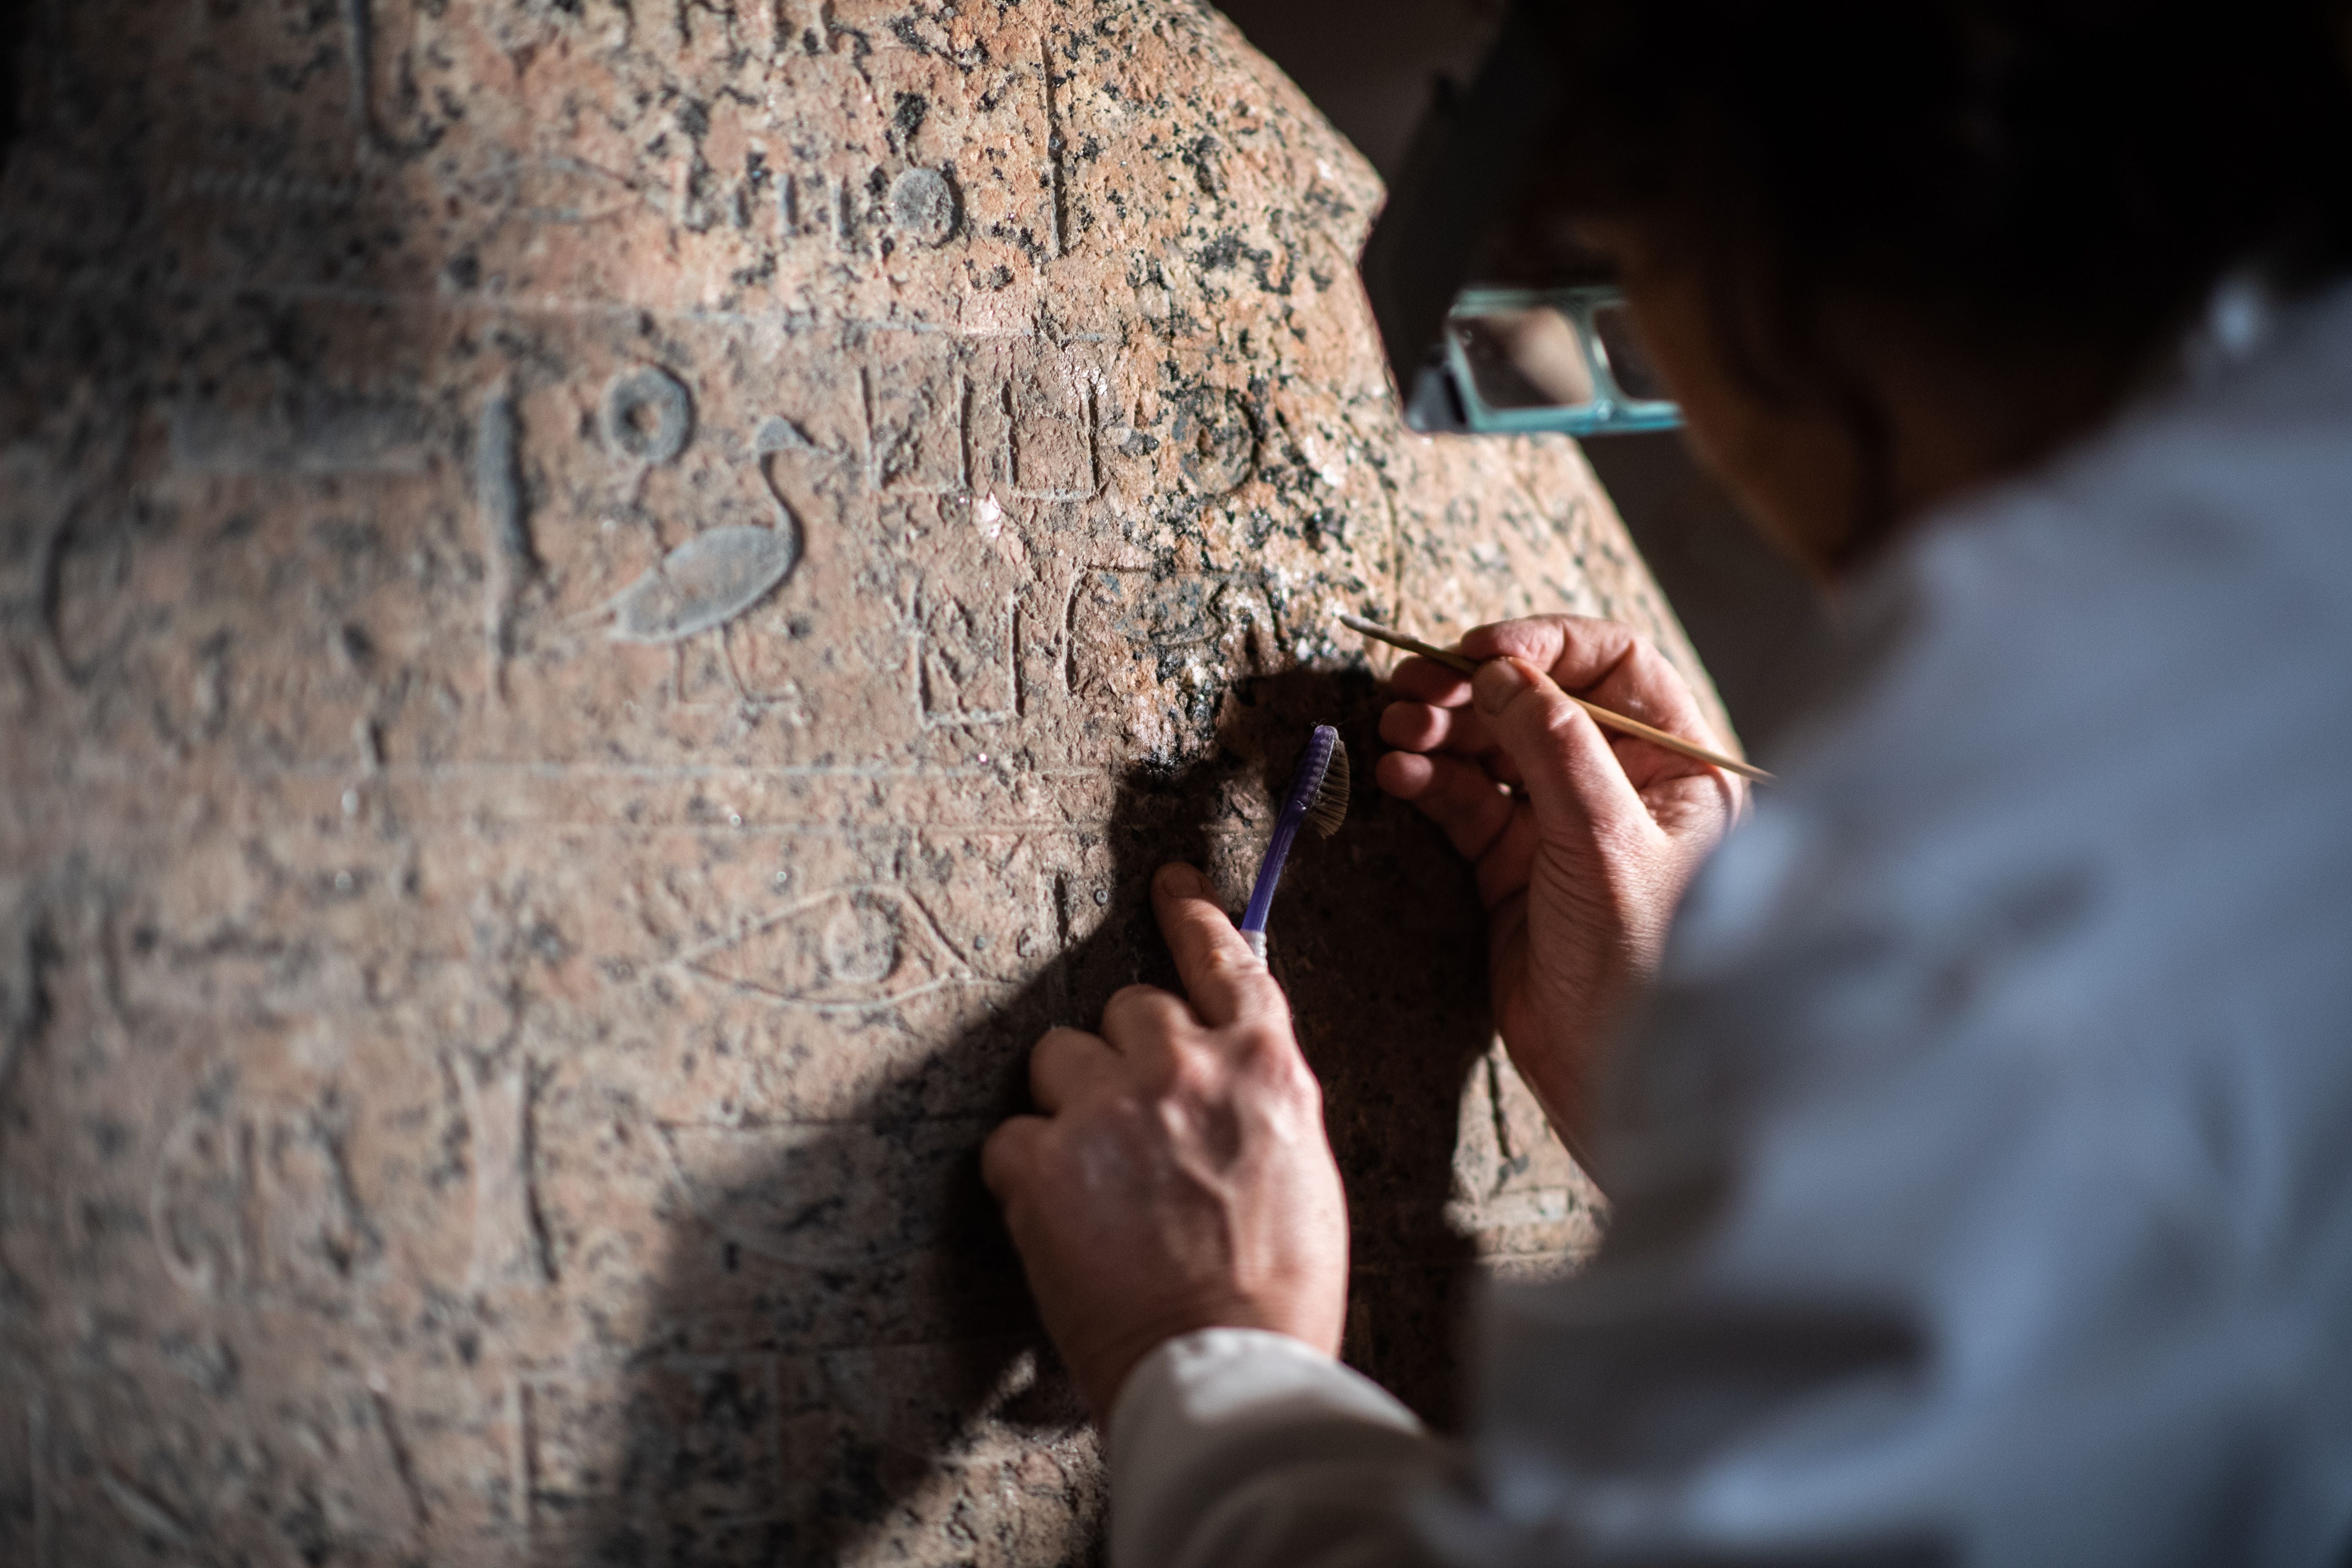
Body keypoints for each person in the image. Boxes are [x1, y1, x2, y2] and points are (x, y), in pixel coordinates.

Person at [981, 5, 2352, 1564]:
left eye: (1630, 295)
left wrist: (1210, 1344)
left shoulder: (1985, 885)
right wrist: (1745, 1102)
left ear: (1730, 234)